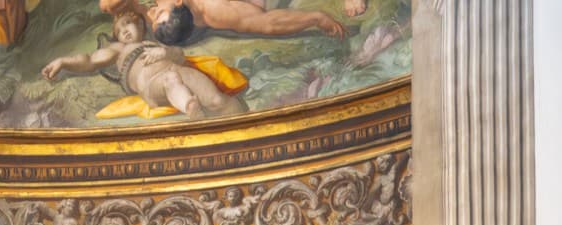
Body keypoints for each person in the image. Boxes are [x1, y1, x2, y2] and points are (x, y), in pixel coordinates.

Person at [42, 10, 247, 119]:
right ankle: (192, 109)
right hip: (154, 84)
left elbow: (179, 56)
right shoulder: (118, 50)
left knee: (217, 100)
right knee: (171, 79)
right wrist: (62, 61)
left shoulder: (153, 43)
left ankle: (245, 127)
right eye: (119, 30)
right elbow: (89, 60)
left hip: (178, 69)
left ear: (139, 24)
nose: (124, 31)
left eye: (127, 24)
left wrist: (164, 51)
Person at [146, 0, 353, 42]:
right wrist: (316, 18)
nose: (150, 11)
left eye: (154, 14)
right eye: (157, 13)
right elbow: (268, 23)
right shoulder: (217, 11)